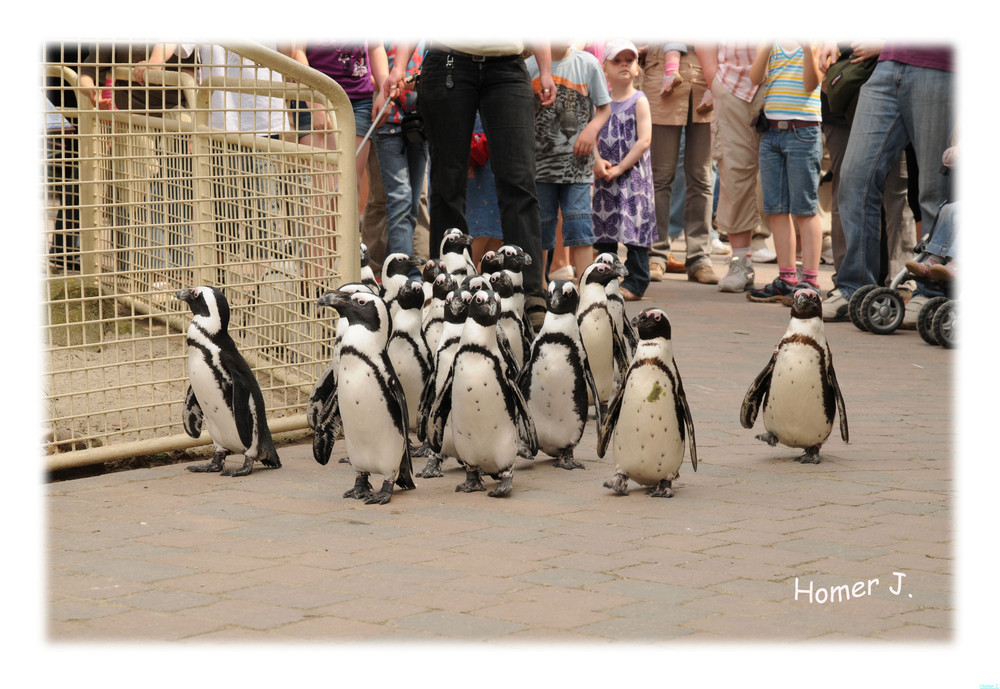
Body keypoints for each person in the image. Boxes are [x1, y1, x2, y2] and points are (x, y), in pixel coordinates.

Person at [414, 40, 555, 328]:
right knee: (447, 183)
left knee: (520, 182)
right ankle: (448, 290)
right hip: (449, 61)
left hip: (507, 64)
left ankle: (529, 293)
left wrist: (546, 70)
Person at [822, 45, 953, 323]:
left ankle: (931, 294)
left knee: (934, 192)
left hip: (940, 64)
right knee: (855, 179)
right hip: (886, 64)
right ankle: (854, 289)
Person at [526, 41, 611, 284]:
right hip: (540, 166)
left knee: (579, 225)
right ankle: (539, 289)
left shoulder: (587, 63)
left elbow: (604, 108)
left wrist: (591, 131)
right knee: (541, 226)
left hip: (578, 166)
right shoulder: (529, 67)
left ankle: (587, 288)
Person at [746, 41, 825, 303]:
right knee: (776, 208)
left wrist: (808, 50)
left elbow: (811, 84)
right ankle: (787, 277)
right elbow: (755, 78)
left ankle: (810, 280)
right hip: (772, 133)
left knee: (805, 208)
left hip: (803, 131)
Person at [642, 43, 718, 285]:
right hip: (661, 77)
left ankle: (699, 258)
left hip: (705, 78)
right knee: (660, 177)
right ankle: (656, 254)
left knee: (702, 177)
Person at [696, 43, 765, 293]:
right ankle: (740, 263)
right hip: (731, 85)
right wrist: (713, 78)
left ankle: (798, 269)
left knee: (787, 176)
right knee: (735, 175)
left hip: (781, 83)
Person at [591, 39, 655, 301]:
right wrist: (597, 160)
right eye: (617, 61)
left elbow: (644, 140)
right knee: (605, 229)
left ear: (637, 68)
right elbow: (591, 133)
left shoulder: (639, 101)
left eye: (629, 61)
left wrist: (620, 168)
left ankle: (636, 281)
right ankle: (605, 278)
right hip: (605, 176)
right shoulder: (600, 103)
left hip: (633, 178)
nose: (624, 65)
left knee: (634, 229)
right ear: (605, 68)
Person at [290, 42, 387, 211]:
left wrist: (384, 91)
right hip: (318, 95)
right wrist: (315, 102)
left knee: (351, 186)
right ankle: (319, 239)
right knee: (325, 189)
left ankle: (348, 238)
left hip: (359, 100)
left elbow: (376, 46)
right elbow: (297, 51)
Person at [370, 42, 428, 277]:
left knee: (413, 202)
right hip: (389, 121)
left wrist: (410, 81)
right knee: (400, 199)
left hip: (420, 124)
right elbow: (372, 73)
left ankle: (391, 269)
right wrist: (390, 82)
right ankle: (406, 276)